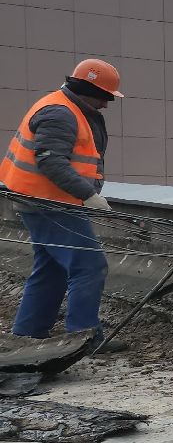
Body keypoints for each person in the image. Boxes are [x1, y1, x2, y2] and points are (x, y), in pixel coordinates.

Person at [3, 59, 120, 348]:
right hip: (50, 204)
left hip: (46, 202)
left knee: (51, 269)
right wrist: (89, 195)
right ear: (85, 89)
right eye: (104, 97)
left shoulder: (67, 107)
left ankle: (28, 335)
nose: (106, 104)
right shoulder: (60, 113)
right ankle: (83, 339)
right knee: (90, 266)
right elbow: (51, 161)